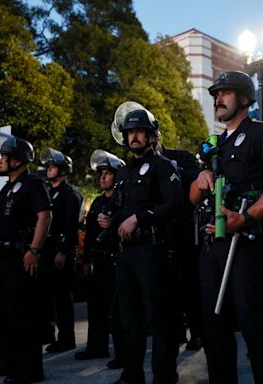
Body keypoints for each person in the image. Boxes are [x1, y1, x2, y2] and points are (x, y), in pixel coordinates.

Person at [190, 71, 263, 383]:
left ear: (245, 99)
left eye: (224, 93)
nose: (217, 99)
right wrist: (199, 180)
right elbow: (192, 197)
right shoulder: (213, 147)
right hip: (213, 248)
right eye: (215, 94)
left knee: (255, 330)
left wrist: (248, 216)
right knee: (213, 331)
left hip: (248, 246)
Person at [100, 102, 183, 384]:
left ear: (151, 136)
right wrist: (109, 219)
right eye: (130, 132)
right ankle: (131, 374)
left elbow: (176, 204)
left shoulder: (163, 166)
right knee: (128, 317)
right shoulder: (123, 173)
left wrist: (140, 218)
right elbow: (121, 210)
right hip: (126, 254)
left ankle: (164, 375)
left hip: (153, 251)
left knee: (160, 318)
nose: (134, 136)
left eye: (140, 131)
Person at [0, 132, 51, 384]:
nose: (0, 161)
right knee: (6, 316)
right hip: (3, 261)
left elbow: (44, 217)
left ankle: (29, 370)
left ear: (19, 160)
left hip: (22, 259)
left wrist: (34, 250)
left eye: (5, 157)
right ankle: (8, 362)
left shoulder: (33, 184)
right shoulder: (7, 188)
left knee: (24, 318)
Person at [74, 149, 126, 369]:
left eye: (108, 173)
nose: (102, 177)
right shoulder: (96, 203)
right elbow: (90, 234)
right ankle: (97, 346)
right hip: (98, 262)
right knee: (95, 306)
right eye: (101, 173)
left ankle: (123, 354)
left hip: (117, 260)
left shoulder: (122, 200)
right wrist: (85, 259)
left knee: (118, 311)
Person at [157, 143, 203, 350]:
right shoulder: (143, 165)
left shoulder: (182, 156)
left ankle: (197, 332)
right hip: (161, 233)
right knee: (166, 288)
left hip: (186, 231)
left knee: (190, 286)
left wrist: (170, 166)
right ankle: (176, 333)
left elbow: (197, 180)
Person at [40, 147, 83, 353]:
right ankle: (47, 334)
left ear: (64, 171)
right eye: (49, 166)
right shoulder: (49, 191)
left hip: (60, 249)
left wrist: (63, 251)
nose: (49, 169)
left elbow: (70, 226)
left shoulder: (70, 193)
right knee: (46, 293)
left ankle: (67, 338)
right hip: (47, 249)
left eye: (54, 166)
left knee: (62, 295)